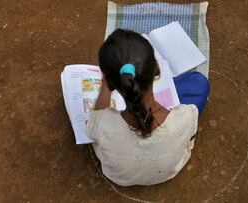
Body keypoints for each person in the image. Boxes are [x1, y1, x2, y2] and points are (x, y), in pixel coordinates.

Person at [86, 29, 210, 186]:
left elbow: (95, 123)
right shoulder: (187, 116)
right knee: (198, 83)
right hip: (169, 171)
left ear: (111, 83)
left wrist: (105, 86)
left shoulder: (101, 125)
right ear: (156, 68)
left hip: (121, 177)